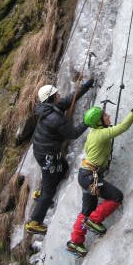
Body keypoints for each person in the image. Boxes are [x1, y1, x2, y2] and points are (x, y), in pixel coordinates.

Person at [66, 98, 133, 257]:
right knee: (116, 197)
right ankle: (95, 220)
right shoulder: (101, 134)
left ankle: (75, 241)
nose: (108, 116)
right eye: (105, 116)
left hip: (86, 175)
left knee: (86, 210)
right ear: (99, 122)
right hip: (91, 177)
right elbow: (123, 127)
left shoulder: (93, 133)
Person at [25, 79, 94, 234]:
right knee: (49, 192)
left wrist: (86, 86)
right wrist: (88, 121)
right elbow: (73, 134)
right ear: (52, 98)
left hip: (43, 151)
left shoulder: (48, 109)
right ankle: (35, 222)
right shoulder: (55, 118)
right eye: (57, 94)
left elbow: (69, 100)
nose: (60, 95)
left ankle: (42, 191)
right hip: (48, 156)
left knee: (63, 168)